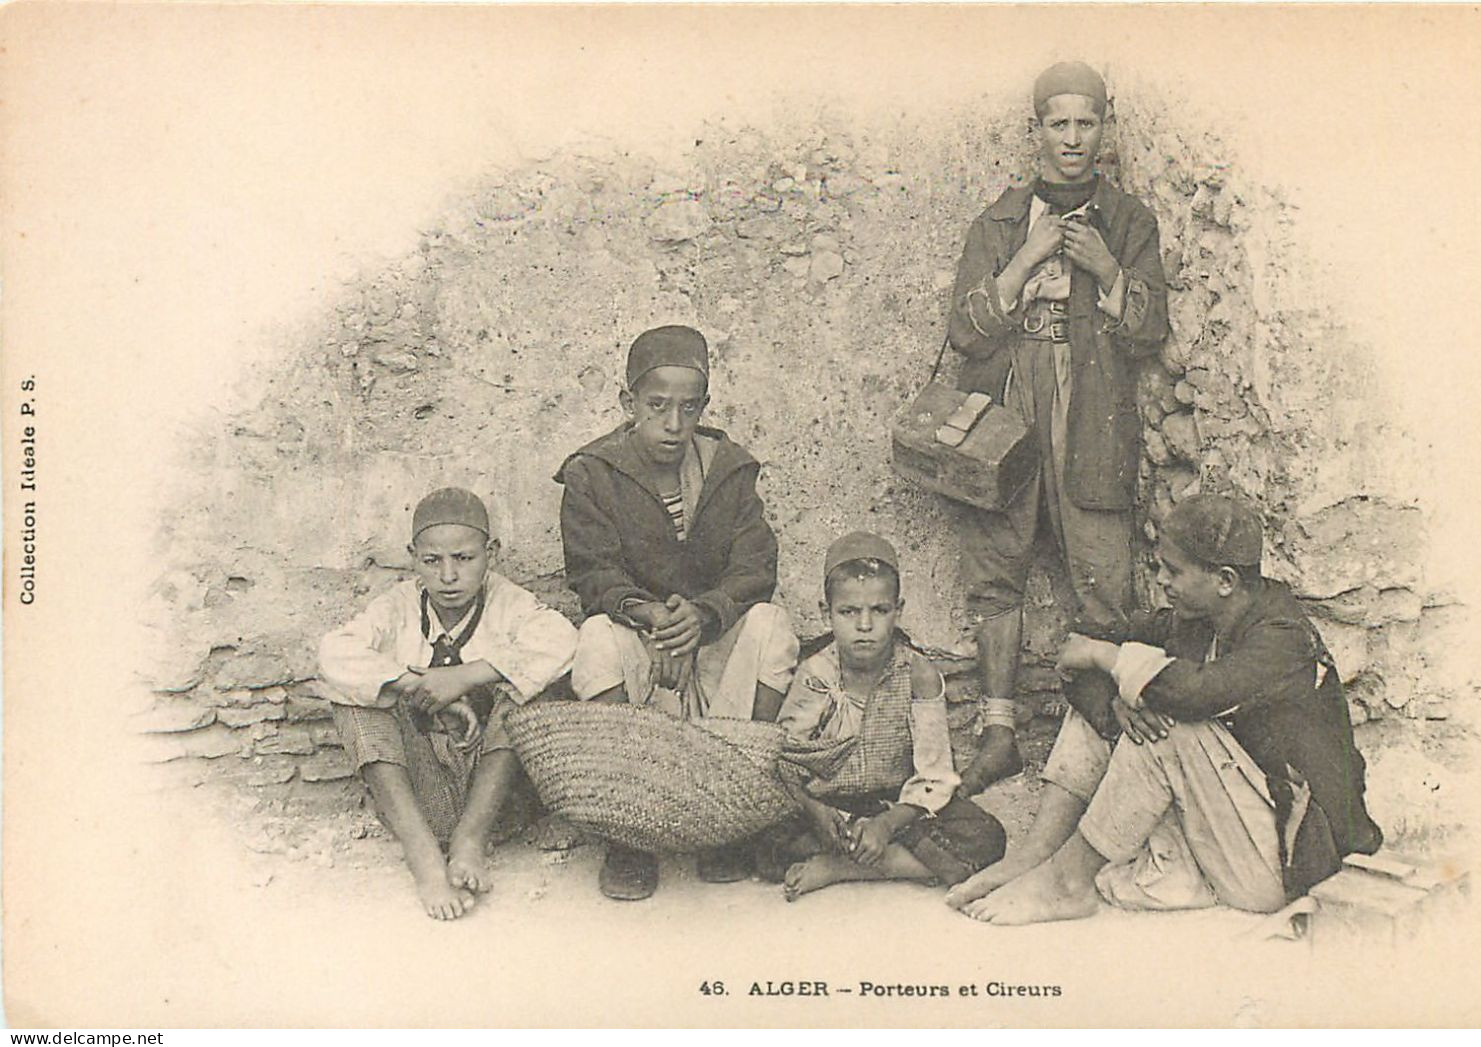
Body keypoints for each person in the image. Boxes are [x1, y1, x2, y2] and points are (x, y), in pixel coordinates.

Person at [948, 493, 1383, 924]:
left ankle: (1069, 884)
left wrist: (1108, 659)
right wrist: (1112, 706)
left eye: (1172, 571)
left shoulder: (1282, 637)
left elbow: (1194, 693)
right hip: (1227, 834)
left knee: (1169, 722)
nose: (1161, 581)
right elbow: (1081, 641)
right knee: (1128, 697)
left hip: (1286, 861)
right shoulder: (1196, 620)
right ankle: (1035, 855)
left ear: (1225, 581)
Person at [947, 61, 1170, 796]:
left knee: (1104, 572)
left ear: (1103, 128)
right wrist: (1025, 260)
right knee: (995, 569)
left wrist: (1107, 270)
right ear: (1034, 129)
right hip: (1009, 411)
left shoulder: (1129, 221)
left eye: (1086, 124)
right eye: (1057, 123)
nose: (1071, 140)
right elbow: (967, 334)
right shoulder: (1001, 222)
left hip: (1091, 413)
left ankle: (1097, 739)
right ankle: (999, 731)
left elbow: (1147, 332)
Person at [556, 323, 800, 900]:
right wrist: (647, 616)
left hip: (709, 643)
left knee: (772, 626)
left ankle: (731, 811)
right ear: (628, 403)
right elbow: (592, 571)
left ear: (704, 407)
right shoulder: (593, 473)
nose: (672, 424)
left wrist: (706, 614)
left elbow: (755, 566)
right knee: (593, 639)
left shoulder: (727, 469)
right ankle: (629, 832)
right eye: (656, 406)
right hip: (644, 643)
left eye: (688, 409)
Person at [317, 487, 578, 920]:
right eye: (432, 561)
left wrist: (463, 677)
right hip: (423, 796)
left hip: (497, 803)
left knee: (533, 691)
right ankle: (423, 856)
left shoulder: (508, 602)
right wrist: (414, 684)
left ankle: (470, 842)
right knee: (352, 698)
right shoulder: (399, 606)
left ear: (490, 552)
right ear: (412, 557)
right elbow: (334, 653)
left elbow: (563, 639)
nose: (448, 576)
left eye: (464, 558)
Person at [767, 532, 1006, 900]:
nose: (865, 626)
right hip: (830, 808)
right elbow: (787, 760)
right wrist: (816, 812)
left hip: (896, 806)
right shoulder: (816, 673)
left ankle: (843, 868)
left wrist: (886, 824)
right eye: (848, 612)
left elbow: (935, 772)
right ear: (824, 612)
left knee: (986, 840)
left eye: (879, 611)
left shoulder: (918, 674)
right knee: (764, 842)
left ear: (899, 610)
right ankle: (885, 859)